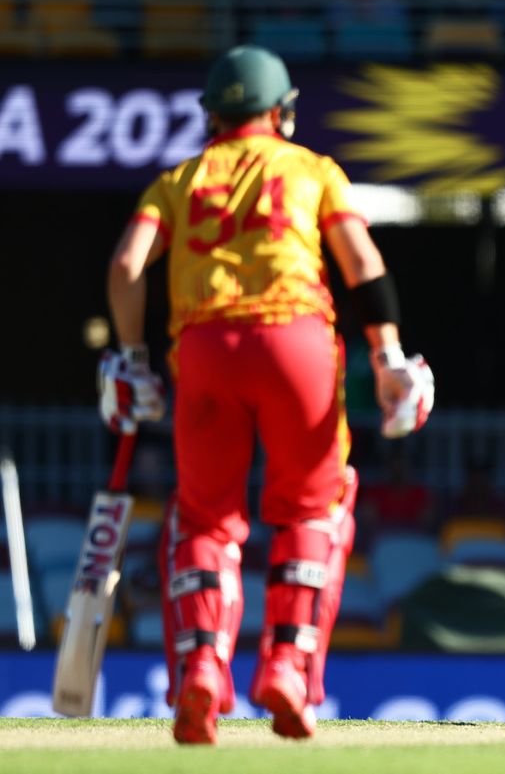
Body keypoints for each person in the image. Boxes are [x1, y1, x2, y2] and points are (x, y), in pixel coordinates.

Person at [100, 45, 433, 745]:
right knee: (314, 506)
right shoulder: (311, 168)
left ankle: (201, 669)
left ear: (212, 116)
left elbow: (128, 264)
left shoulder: (180, 178)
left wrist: (130, 358)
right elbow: (363, 264)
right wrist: (389, 353)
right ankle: (286, 663)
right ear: (281, 113)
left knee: (203, 521)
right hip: (296, 344)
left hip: (204, 349)